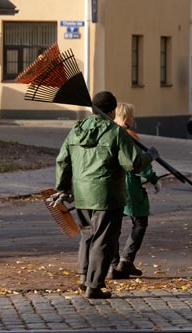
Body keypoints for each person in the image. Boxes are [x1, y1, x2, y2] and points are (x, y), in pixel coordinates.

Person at [50, 91, 159, 299]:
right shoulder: (116, 132)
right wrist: (150, 155)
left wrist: (63, 189)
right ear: (112, 111)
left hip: (82, 194)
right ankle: (94, 285)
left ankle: (84, 277)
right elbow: (132, 164)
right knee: (104, 239)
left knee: (87, 235)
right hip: (106, 195)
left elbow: (62, 160)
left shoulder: (76, 129)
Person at [108, 102, 162, 279]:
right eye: (132, 115)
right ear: (127, 117)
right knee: (140, 222)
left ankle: (113, 264)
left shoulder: (110, 134)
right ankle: (126, 261)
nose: (134, 118)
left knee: (113, 225)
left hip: (112, 183)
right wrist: (153, 179)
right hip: (129, 185)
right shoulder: (129, 136)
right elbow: (140, 163)